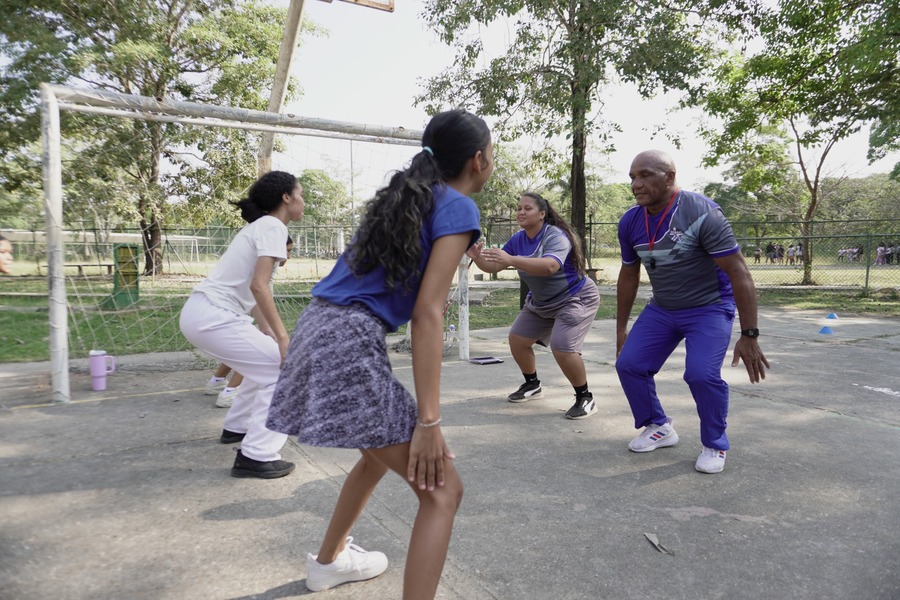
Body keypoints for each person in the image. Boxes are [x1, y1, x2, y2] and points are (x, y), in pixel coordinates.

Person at [266, 110, 491, 597]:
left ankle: (329, 561)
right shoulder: (457, 206)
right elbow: (428, 313)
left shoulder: (402, 198)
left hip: (317, 325)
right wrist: (429, 422)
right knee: (443, 491)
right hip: (347, 338)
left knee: (375, 455)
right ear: (479, 160)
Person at [615, 150, 770, 474]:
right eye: (632, 177)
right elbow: (629, 274)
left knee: (700, 374)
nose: (636, 184)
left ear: (669, 177)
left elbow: (739, 272)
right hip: (663, 307)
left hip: (709, 308)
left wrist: (749, 334)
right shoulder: (631, 221)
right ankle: (659, 426)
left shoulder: (702, 213)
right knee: (629, 364)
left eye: (644, 175)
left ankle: (715, 443)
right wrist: (621, 329)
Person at [180, 171, 304, 479]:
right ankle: (257, 455)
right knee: (285, 369)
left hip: (206, 315)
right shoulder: (274, 226)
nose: (303, 201)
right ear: (286, 198)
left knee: (263, 364)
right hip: (214, 316)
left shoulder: (262, 227)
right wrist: (284, 338)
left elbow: (252, 293)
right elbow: (259, 286)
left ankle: (237, 428)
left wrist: (270, 333)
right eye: (300, 194)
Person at [466, 192, 601, 419]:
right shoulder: (519, 239)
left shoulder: (555, 236)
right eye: (518, 208)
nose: (520, 212)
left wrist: (510, 259)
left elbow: (550, 266)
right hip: (541, 302)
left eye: (527, 208)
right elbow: (493, 267)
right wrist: (478, 258)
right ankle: (532, 384)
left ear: (542, 214)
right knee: (517, 340)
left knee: (563, 347)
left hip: (575, 298)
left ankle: (585, 397)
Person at [204, 236, 294, 409]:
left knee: (242, 347)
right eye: (288, 250)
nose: (289, 256)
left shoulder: (267, 260)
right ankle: (230, 393)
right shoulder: (266, 261)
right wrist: (266, 326)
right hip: (237, 308)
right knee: (256, 349)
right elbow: (257, 292)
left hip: (238, 307)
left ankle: (216, 381)